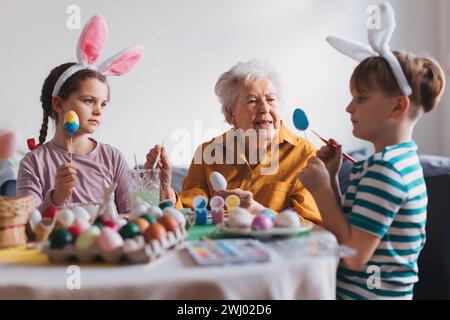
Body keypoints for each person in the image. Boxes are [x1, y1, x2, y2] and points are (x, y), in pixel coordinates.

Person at [298, 3, 446, 299]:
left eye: (361, 98)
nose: (349, 107)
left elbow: (353, 255)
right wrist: (331, 176)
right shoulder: (393, 162)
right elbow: (354, 230)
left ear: (397, 106)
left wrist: (320, 190)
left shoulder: (386, 170)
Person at [146, 59, 322, 224]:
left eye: (271, 99)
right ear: (231, 114)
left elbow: (314, 226)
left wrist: (259, 212)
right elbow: (187, 215)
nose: (265, 108)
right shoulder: (208, 153)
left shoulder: (306, 155)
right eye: (253, 101)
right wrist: (164, 186)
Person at [16, 15, 144, 213]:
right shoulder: (34, 163)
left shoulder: (113, 158)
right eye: (89, 100)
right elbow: (26, 225)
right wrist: (57, 197)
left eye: (103, 103)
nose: (98, 110)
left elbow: (130, 214)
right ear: (59, 104)